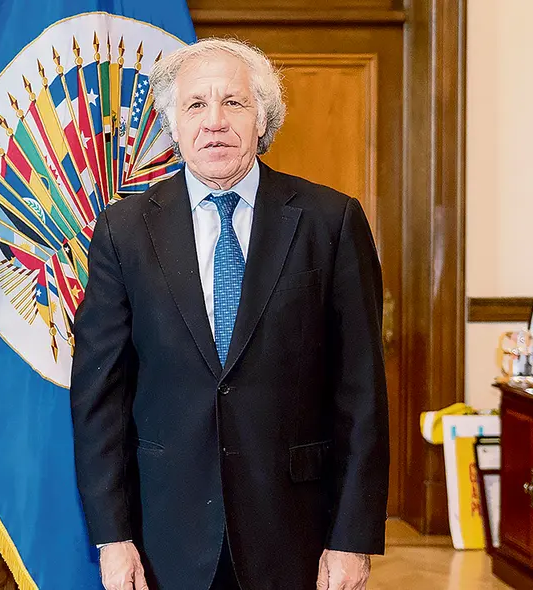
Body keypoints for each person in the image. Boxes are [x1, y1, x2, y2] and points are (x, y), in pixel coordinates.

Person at [70, 37, 389, 590]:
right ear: (173, 125)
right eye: (196, 104)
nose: (214, 122)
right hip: (163, 534)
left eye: (233, 103)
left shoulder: (330, 221)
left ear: (262, 119)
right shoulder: (124, 231)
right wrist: (112, 537)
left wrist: (352, 538)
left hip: (296, 532)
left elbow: (361, 393)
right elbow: (100, 396)